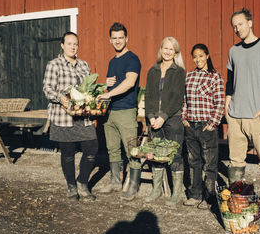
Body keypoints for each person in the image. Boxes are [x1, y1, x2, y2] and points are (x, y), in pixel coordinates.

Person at [226, 8, 260, 223]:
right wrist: (227, 106)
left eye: (240, 24)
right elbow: (230, 82)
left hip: (258, 117)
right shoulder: (234, 51)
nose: (237, 29)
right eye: (234, 26)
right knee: (235, 162)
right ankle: (236, 205)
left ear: (250, 22)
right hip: (236, 117)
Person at [43, 31, 98, 201]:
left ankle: (82, 182)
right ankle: (71, 187)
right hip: (62, 116)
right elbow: (47, 89)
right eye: (69, 43)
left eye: (75, 44)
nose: (73, 47)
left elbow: (90, 88)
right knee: (68, 153)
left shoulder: (83, 65)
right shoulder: (54, 65)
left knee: (92, 148)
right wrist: (60, 97)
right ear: (62, 45)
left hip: (83, 116)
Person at [97, 22, 141, 201]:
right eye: (114, 38)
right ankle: (115, 182)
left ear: (126, 38)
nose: (117, 41)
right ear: (110, 40)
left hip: (126, 111)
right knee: (112, 149)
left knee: (132, 150)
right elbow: (113, 83)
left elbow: (130, 82)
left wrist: (108, 94)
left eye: (120, 38)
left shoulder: (132, 59)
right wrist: (105, 86)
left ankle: (133, 186)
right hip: (110, 112)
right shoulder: (112, 61)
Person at [182, 44, 225, 209]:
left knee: (209, 164)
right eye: (195, 56)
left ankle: (209, 198)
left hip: (206, 127)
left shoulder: (215, 77)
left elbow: (219, 103)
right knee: (194, 162)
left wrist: (212, 124)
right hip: (191, 126)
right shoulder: (189, 76)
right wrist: (184, 118)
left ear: (207, 56)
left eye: (201, 55)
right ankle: (195, 194)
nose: (198, 59)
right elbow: (184, 99)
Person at [144, 36, 186, 207]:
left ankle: (176, 193)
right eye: (165, 48)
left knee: (174, 154)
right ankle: (156, 189)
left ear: (176, 52)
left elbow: (177, 98)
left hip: (172, 118)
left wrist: (163, 116)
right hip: (155, 118)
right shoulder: (152, 70)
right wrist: (151, 116)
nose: (168, 52)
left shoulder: (179, 71)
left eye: (171, 49)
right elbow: (149, 96)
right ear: (160, 50)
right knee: (157, 155)